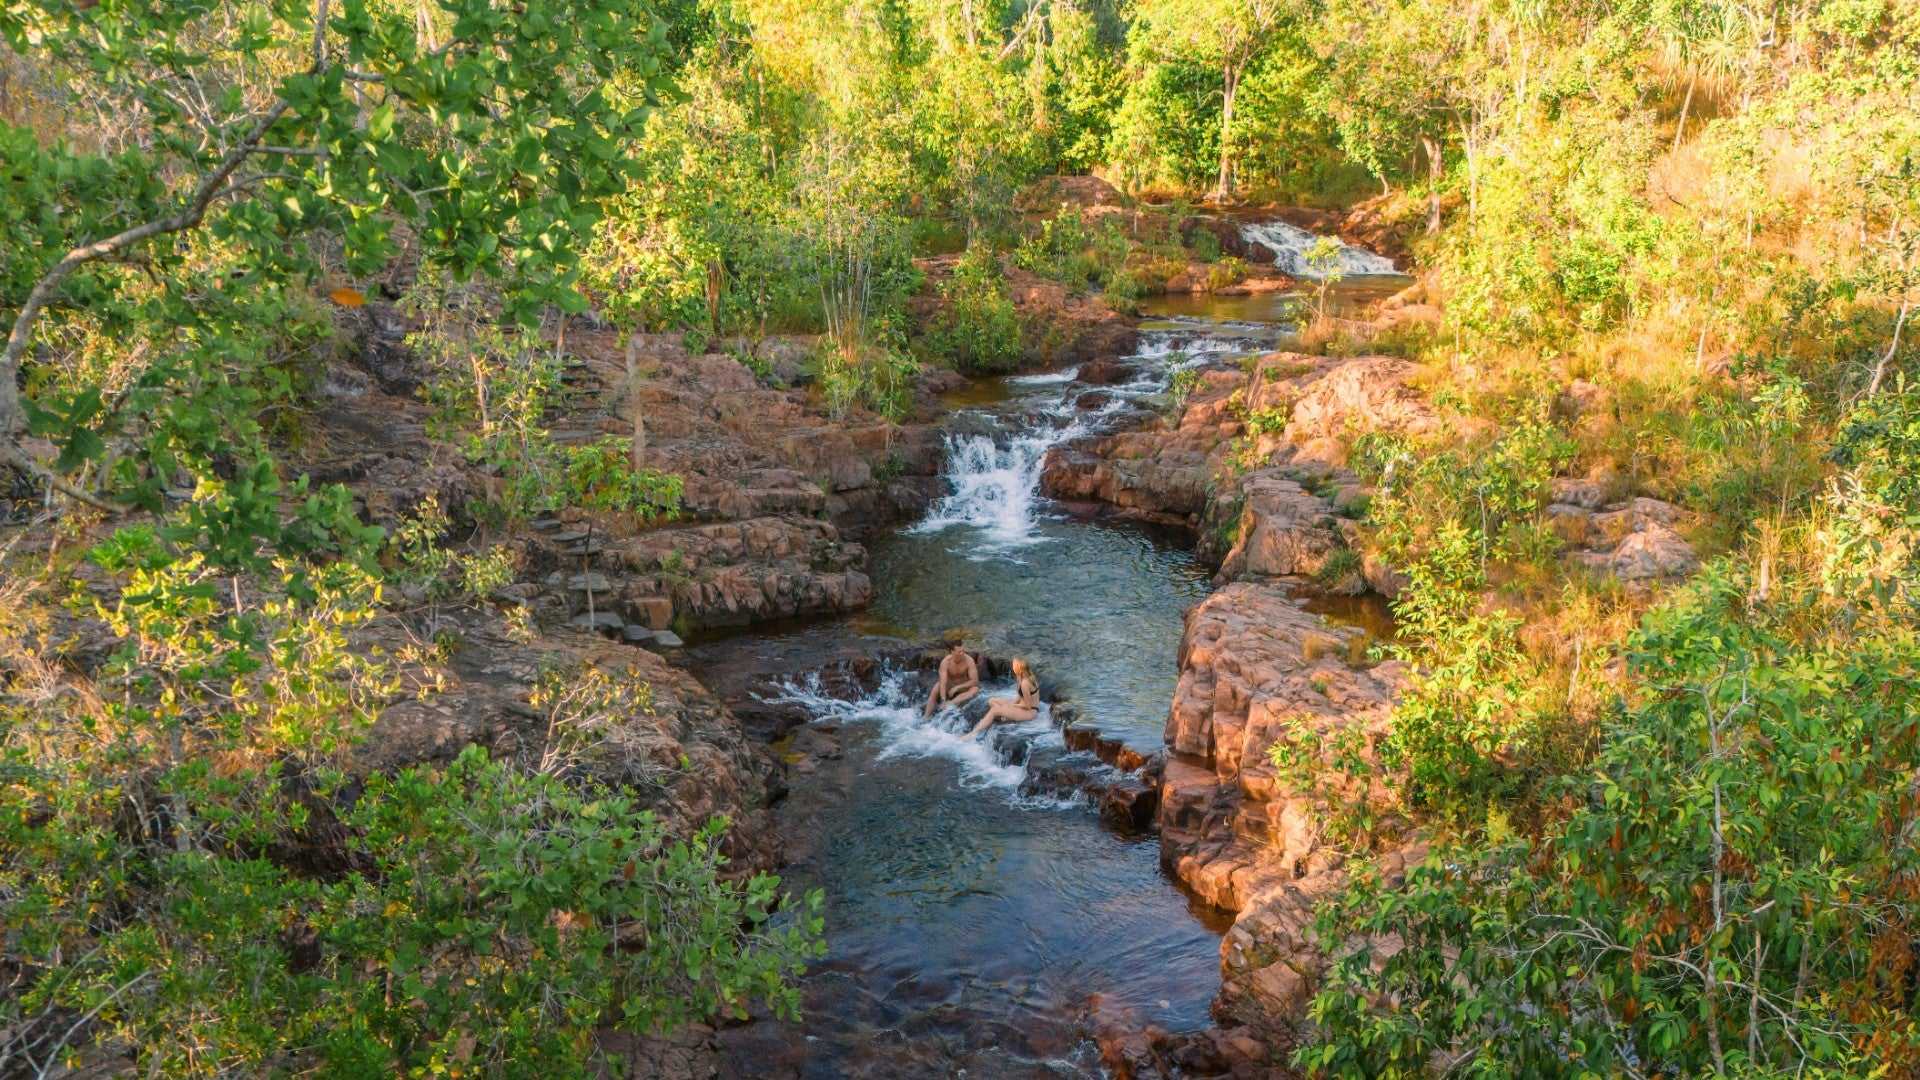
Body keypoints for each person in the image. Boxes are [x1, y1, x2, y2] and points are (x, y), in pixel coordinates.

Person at [969, 657, 1039, 738]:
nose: (1012, 667)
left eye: (1014, 665)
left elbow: (1028, 706)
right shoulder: (1021, 677)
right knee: (992, 701)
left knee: (995, 710)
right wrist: (1011, 704)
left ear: (1019, 668)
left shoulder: (1025, 683)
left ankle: (974, 733)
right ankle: (1004, 717)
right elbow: (1020, 696)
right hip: (1021, 706)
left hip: (1030, 712)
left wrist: (1011, 706)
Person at [923, 641, 980, 717]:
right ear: (952, 652)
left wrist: (957, 688)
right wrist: (943, 699)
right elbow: (943, 683)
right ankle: (926, 716)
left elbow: (975, 681)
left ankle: (950, 703)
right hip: (949, 686)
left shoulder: (969, 661)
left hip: (963, 687)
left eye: (963, 651)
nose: (962, 653)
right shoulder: (945, 662)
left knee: (975, 689)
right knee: (936, 688)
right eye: (959, 652)